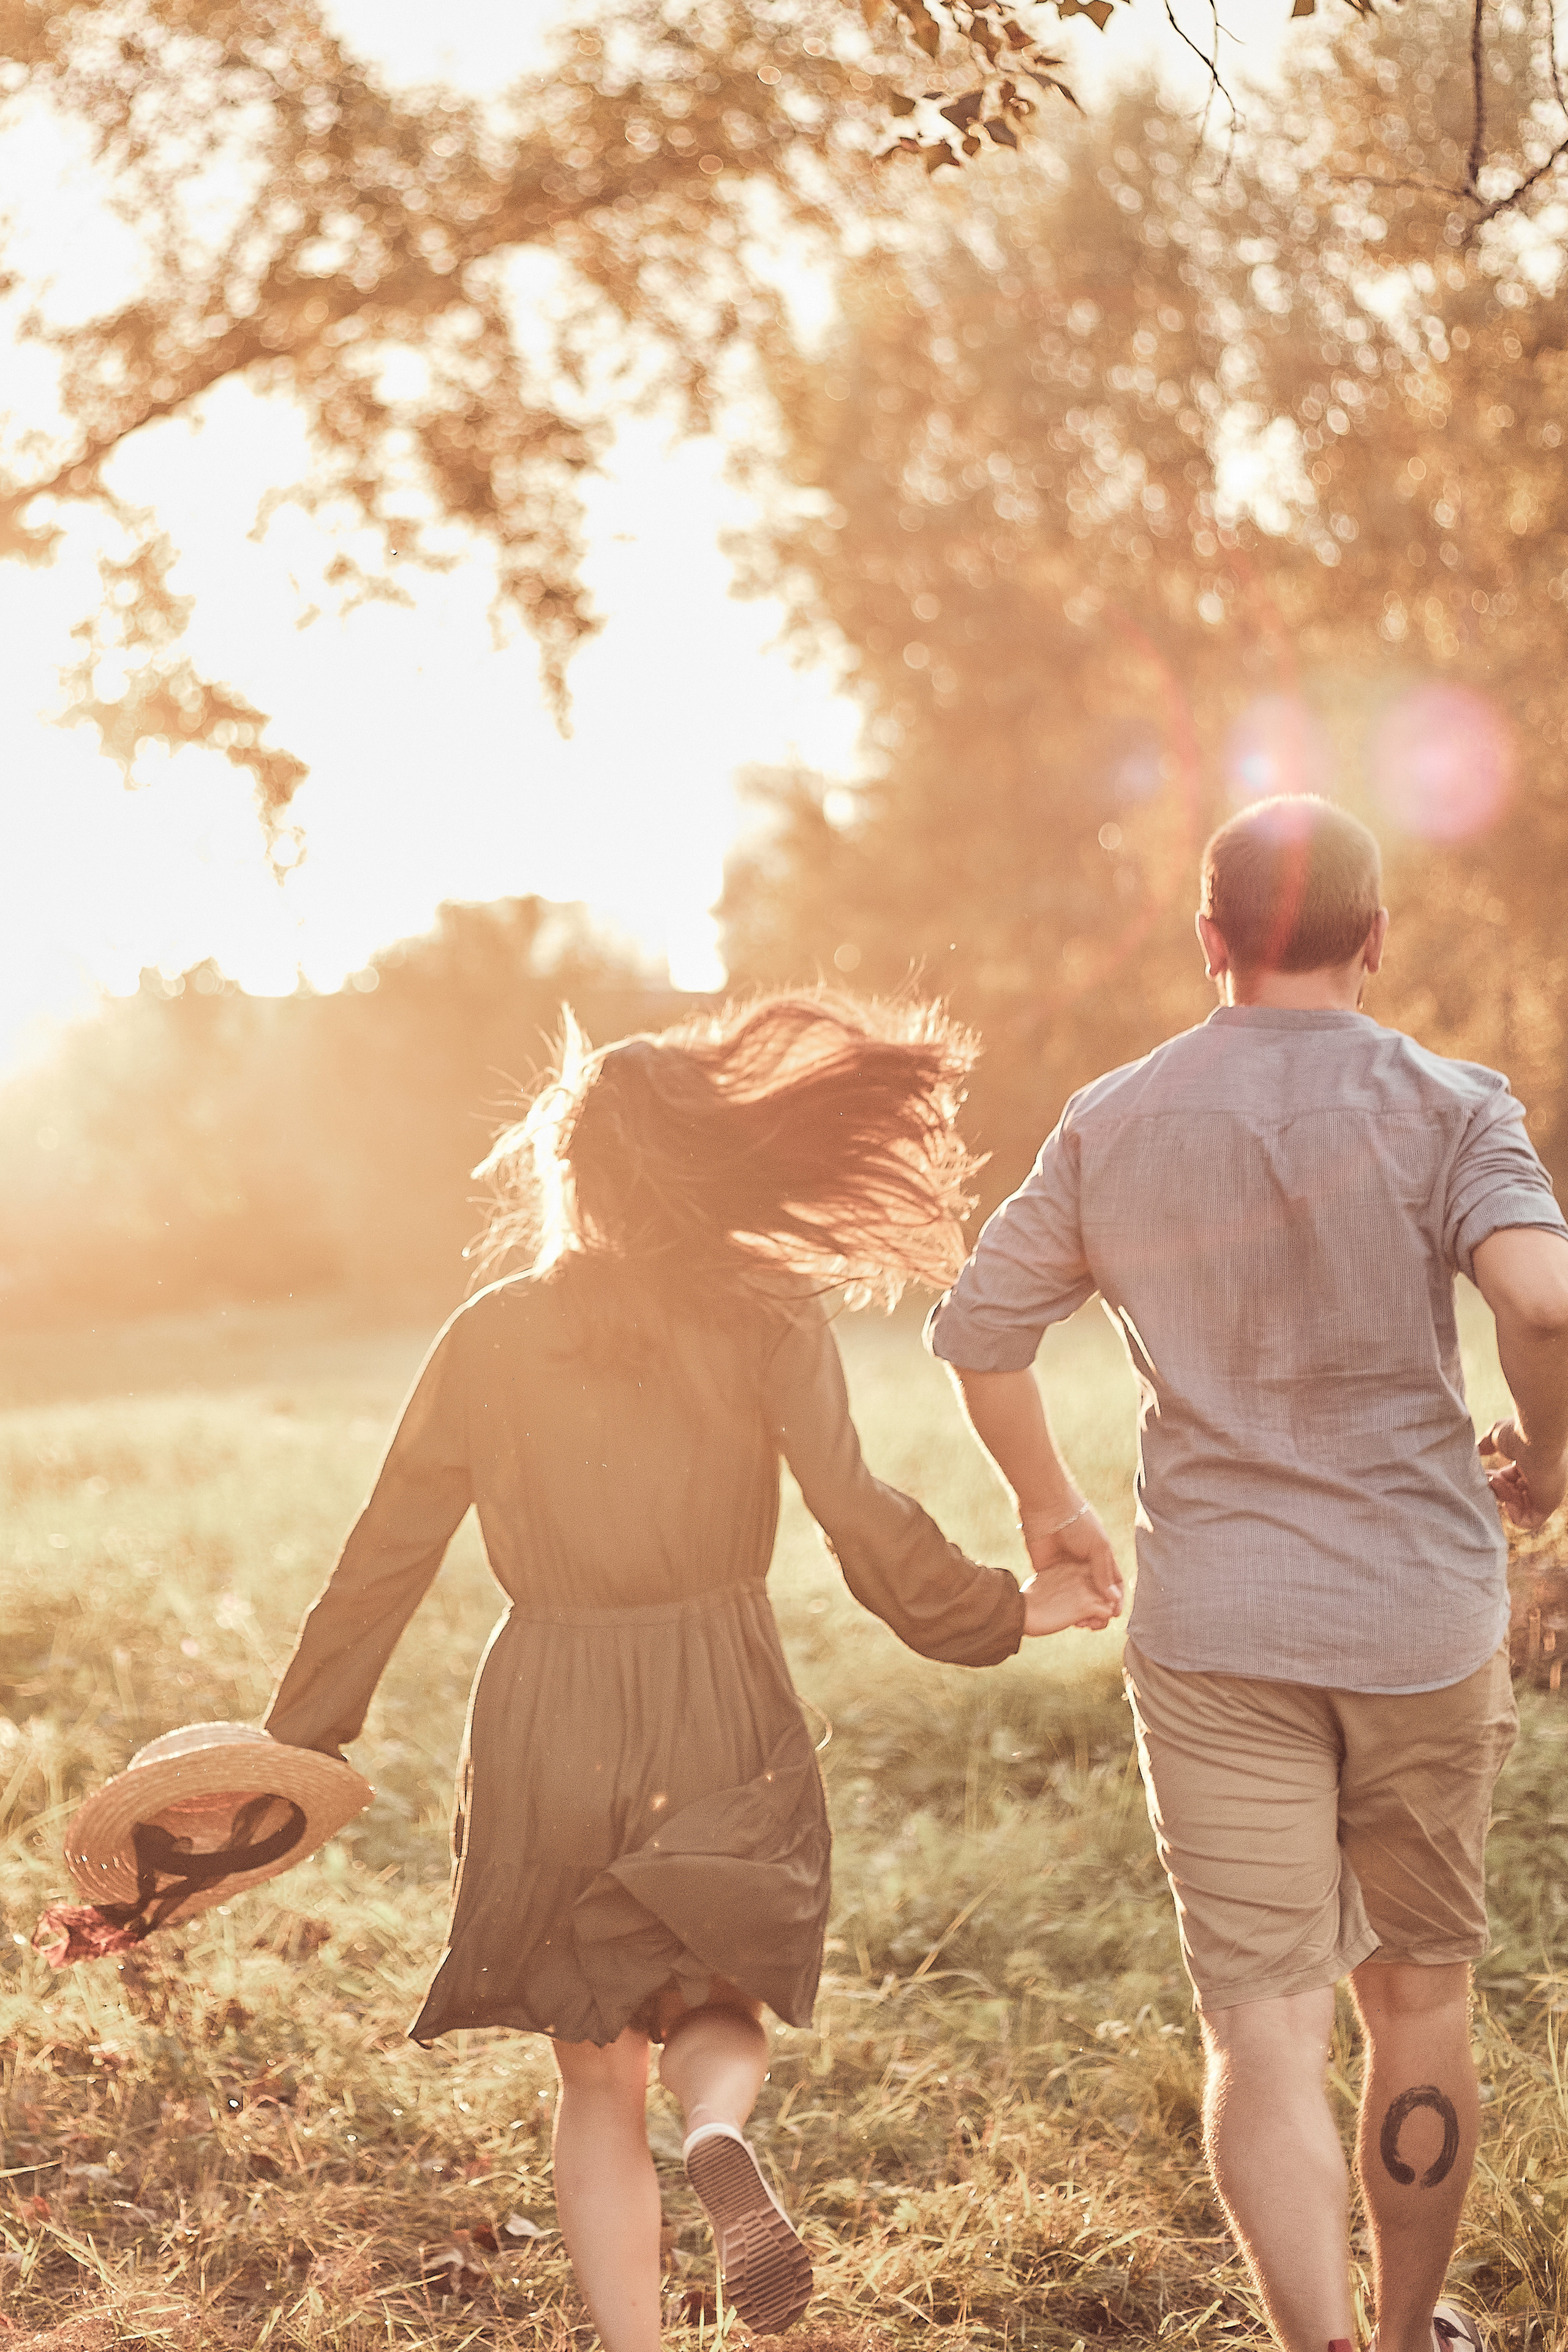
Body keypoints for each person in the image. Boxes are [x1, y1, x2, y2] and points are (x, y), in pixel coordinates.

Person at [262, 992, 1110, 2352]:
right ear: (711, 1158)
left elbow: (383, 1559)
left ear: (566, 1171)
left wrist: (289, 1752)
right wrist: (1005, 1612)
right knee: (714, 1998)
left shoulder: (487, 1335)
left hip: (546, 1708)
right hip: (717, 1693)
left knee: (595, 2077)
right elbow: (860, 1515)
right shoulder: (764, 1316)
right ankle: (717, 2131)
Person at [924, 796, 1568, 2352]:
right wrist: (1544, 1464)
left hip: (1212, 1626)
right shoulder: (1448, 1100)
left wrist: (1048, 1513)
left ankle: (1322, 2351)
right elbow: (1541, 1304)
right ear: (1374, 939)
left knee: (1260, 2027)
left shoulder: (1112, 1114)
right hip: (1420, 1616)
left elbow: (976, 1331)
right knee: (1415, 2002)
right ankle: (1411, 2339)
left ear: (1208, 941)